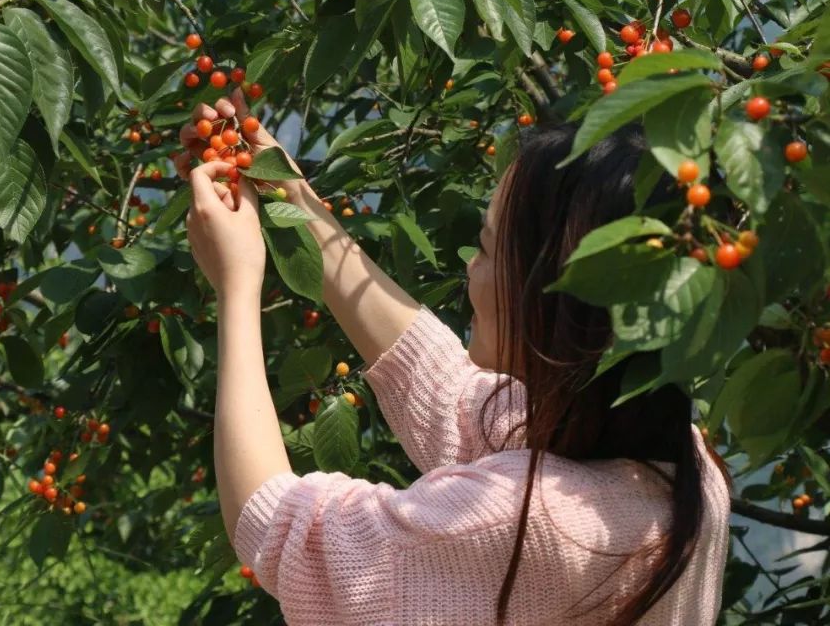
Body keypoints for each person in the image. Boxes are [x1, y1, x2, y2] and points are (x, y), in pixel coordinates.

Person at [180, 89, 732, 625]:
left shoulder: (529, 525)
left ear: (555, 298)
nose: (472, 267)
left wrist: (237, 285)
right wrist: (290, 192)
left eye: (490, 251)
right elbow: (440, 385)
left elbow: (282, 528)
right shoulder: (687, 473)